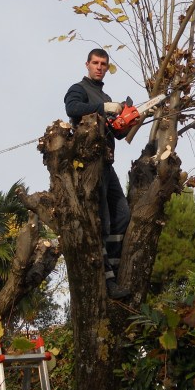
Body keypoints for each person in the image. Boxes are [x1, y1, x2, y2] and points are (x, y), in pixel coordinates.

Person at [64, 48, 131, 299]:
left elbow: (116, 133)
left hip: (107, 162)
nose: (99, 67)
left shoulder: (105, 96)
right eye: (95, 63)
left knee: (122, 214)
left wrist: (127, 121)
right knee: (102, 218)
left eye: (103, 64)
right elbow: (73, 108)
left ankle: (114, 267)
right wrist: (104, 107)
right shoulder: (79, 89)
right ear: (87, 64)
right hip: (90, 163)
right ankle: (107, 280)